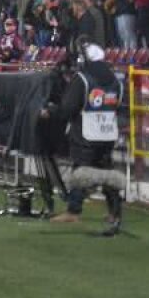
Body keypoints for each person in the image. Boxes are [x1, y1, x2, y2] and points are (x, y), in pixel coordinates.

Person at [46, 43, 124, 235]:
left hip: (85, 131)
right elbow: (119, 106)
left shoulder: (82, 79)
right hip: (108, 132)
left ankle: (73, 210)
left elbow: (68, 108)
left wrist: (51, 111)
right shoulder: (117, 80)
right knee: (106, 172)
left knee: (81, 170)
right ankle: (114, 212)